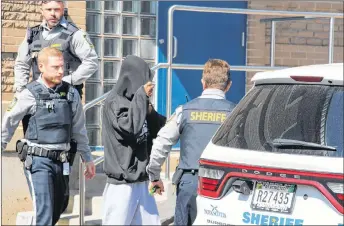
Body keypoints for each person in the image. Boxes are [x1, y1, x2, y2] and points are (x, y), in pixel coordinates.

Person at [1, 47, 96, 225]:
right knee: (44, 212)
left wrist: (88, 158)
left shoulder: (71, 93)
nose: (61, 71)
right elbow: (8, 121)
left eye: (63, 67)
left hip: (63, 161)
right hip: (38, 161)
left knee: (58, 209)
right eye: (55, 67)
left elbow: (79, 129)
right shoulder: (28, 93)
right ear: (41, 67)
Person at [146, 59, 236, 226]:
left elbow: (161, 143)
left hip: (189, 184)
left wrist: (154, 176)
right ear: (228, 85)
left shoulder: (184, 111)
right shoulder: (236, 114)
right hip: (225, 185)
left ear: (203, 83)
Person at [14, 0, 98, 134]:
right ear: (42, 10)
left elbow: (91, 62)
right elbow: (22, 64)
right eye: (48, 10)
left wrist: (68, 81)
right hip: (38, 99)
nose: (53, 14)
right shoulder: (32, 35)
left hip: (65, 99)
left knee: (67, 146)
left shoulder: (75, 34)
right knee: (34, 144)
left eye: (57, 10)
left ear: (63, 10)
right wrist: (20, 91)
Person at [101, 55, 166, 225]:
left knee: (152, 222)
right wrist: (141, 98)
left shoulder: (138, 101)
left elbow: (155, 130)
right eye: (144, 81)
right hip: (122, 184)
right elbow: (130, 128)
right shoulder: (114, 102)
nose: (148, 86)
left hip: (142, 181)